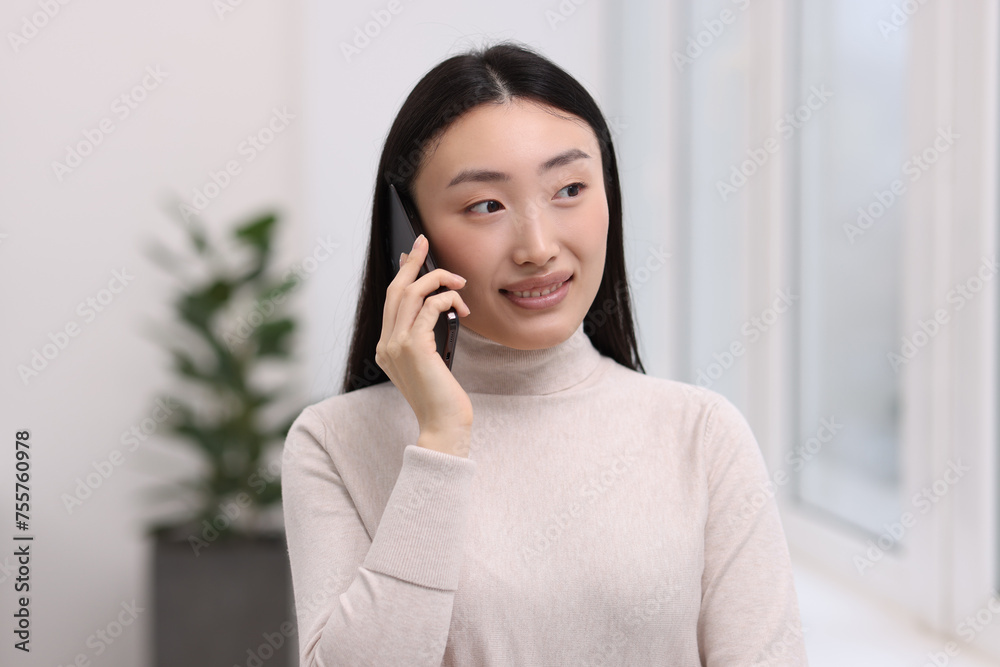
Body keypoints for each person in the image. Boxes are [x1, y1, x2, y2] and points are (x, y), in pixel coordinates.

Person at [281, 40, 809, 666]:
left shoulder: (701, 434)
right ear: (411, 234)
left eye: (569, 189)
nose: (537, 245)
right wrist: (441, 440)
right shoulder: (333, 443)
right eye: (486, 205)